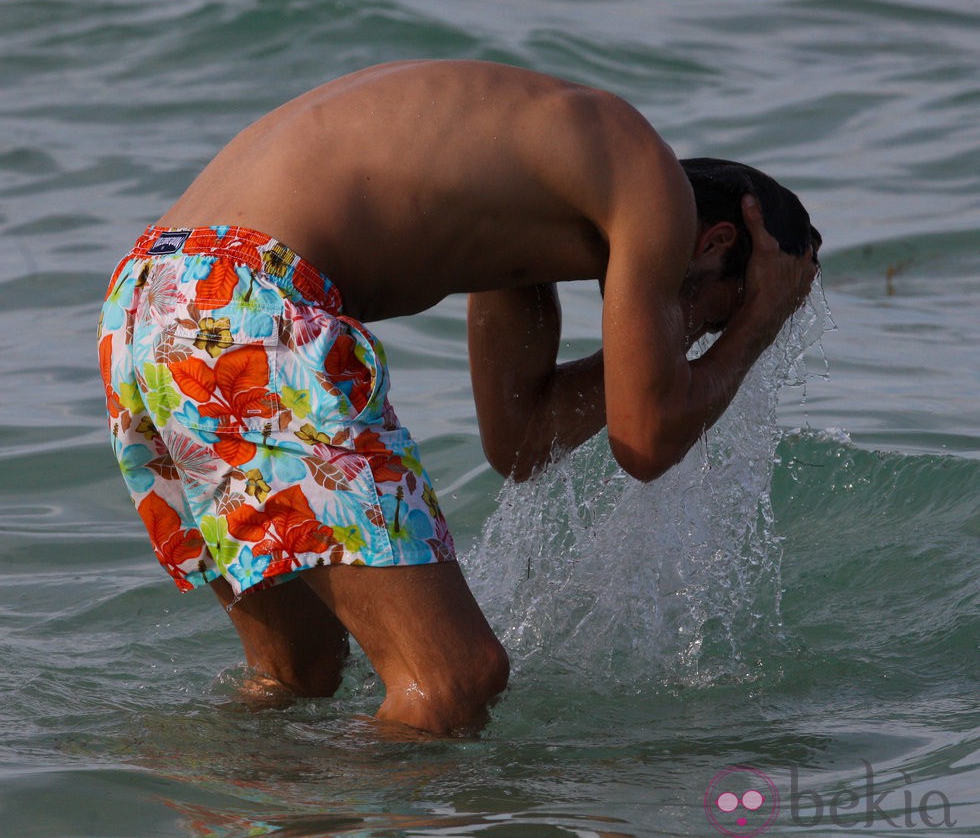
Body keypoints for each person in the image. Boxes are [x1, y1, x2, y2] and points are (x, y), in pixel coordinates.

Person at [98, 59, 820, 735]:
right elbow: (647, 439)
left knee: (299, 676)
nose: (681, 338)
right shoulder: (652, 184)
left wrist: (663, 351)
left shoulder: (531, 202)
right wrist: (757, 324)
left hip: (151, 302)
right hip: (241, 303)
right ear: (714, 242)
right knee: (453, 681)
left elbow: (520, 441)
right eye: (704, 319)